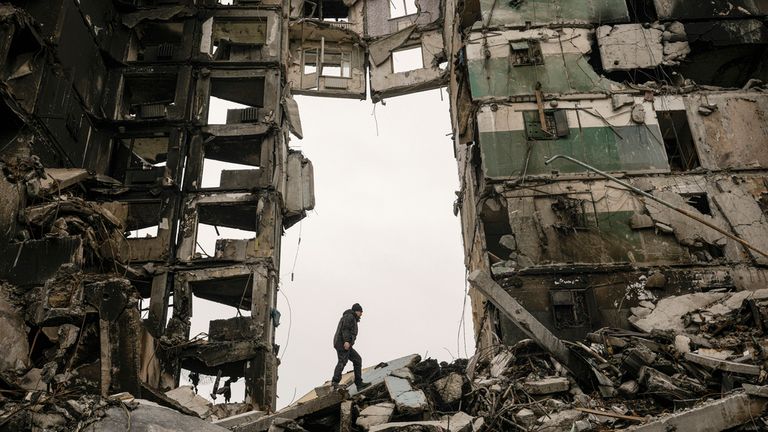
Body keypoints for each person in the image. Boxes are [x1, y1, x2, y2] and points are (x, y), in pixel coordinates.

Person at [331, 303, 370, 390]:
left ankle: (359, 384)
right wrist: (347, 341)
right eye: (360, 311)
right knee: (342, 361)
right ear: (356, 311)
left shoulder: (352, 317)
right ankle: (335, 383)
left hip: (344, 342)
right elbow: (346, 328)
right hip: (343, 343)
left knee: (357, 359)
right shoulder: (350, 316)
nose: (361, 314)